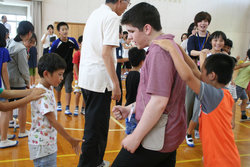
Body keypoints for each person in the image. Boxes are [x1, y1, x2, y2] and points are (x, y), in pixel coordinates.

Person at [112, 3, 186, 167]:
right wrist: (132, 108)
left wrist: (136, 137)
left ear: (146, 28)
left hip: (157, 136)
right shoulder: (170, 45)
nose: (129, 37)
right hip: (169, 134)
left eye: (131, 31)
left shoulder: (159, 52)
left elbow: (159, 102)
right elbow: (159, 96)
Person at [154, 39, 241, 167]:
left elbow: (188, 76)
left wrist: (171, 50)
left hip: (222, 162)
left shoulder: (212, 95)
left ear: (212, 76)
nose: (200, 74)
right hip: (226, 158)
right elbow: (194, 69)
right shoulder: (223, 92)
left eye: (203, 71)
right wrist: (177, 47)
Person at [77, 0, 129, 166]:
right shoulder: (112, 17)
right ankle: (87, 164)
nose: (127, 7)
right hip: (99, 81)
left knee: (96, 126)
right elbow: (106, 54)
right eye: (127, 3)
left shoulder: (95, 13)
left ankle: (97, 161)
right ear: (120, 1)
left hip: (88, 78)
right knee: (95, 128)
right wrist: (116, 84)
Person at [28, 53, 82, 167]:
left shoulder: (48, 87)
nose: (62, 78)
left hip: (46, 143)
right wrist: (70, 139)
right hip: (43, 146)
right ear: (46, 74)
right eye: (60, 74)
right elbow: (53, 121)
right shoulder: (42, 93)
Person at [185, 11, 212, 147]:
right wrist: (202, 52)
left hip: (207, 76)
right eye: (201, 21)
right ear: (196, 23)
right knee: (189, 102)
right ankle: (186, 128)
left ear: (208, 23)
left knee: (201, 104)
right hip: (194, 74)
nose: (203, 23)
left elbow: (214, 51)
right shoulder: (192, 38)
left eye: (205, 21)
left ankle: (196, 128)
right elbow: (190, 52)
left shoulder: (212, 37)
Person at [7, 21, 34, 139]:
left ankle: (9, 124)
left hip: (8, 80)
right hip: (18, 81)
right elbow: (24, 69)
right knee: (22, 105)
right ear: (29, 33)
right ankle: (23, 131)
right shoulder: (21, 48)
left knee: (9, 105)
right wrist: (28, 83)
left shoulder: (11, 43)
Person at [49, 22, 79, 115]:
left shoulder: (72, 41)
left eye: (66, 29)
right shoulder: (55, 43)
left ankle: (67, 107)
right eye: (63, 29)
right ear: (59, 32)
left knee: (68, 88)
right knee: (58, 88)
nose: (65, 31)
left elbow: (78, 50)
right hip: (58, 70)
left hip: (69, 69)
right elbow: (50, 55)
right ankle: (58, 103)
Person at [125, 47, 145, 135]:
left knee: (129, 133)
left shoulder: (129, 74)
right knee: (136, 134)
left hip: (128, 107)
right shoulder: (140, 76)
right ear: (142, 61)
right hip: (136, 110)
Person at [234, 49, 250, 121]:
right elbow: (235, 67)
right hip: (239, 85)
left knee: (244, 99)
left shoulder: (246, 62)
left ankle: (243, 116)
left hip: (241, 85)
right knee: (232, 103)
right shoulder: (246, 63)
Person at [72, 35, 85, 116]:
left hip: (86, 77)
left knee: (84, 94)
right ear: (79, 44)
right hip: (79, 77)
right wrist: (78, 76)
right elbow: (75, 65)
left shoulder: (87, 54)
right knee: (78, 93)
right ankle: (76, 107)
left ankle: (83, 108)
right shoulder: (77, 54)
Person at [116, 25, 128, 106]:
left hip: (114, 71)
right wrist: (130, 58)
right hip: (115, 72)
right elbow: (117, 59)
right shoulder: (118, 43)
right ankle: (118, 108)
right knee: (118, 90)